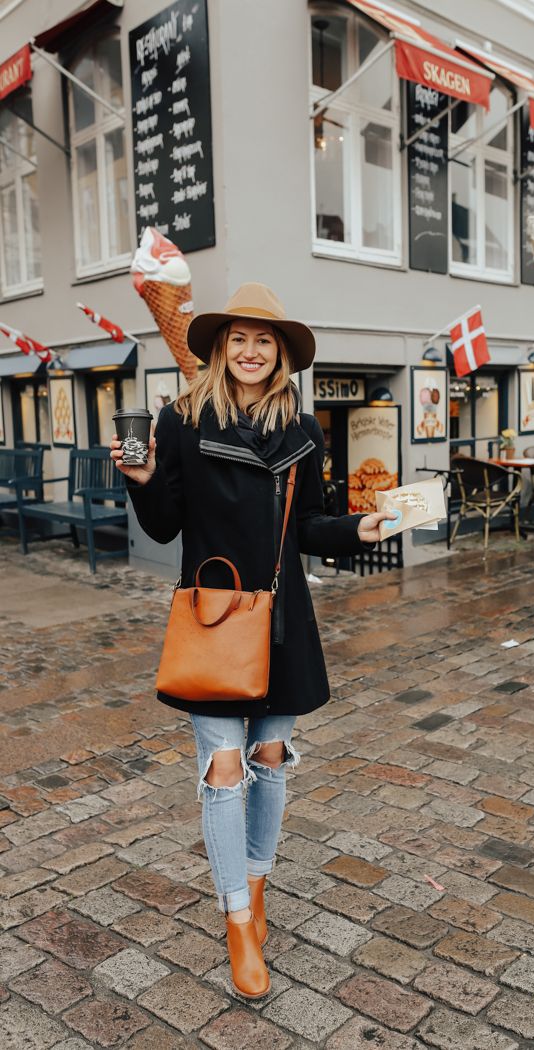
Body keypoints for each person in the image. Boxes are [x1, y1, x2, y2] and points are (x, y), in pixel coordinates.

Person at [111, 283, 393, 999]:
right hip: (212, 617)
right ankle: (238, 920)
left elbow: (308, 527)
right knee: (224, 771)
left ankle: (258, 886)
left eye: (264, 341)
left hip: (282, 621)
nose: (250, 351)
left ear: (282, 356)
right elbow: (167, 522)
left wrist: (356, 529)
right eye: (238, 338)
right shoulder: (179, 420)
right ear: (217, 347)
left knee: (270, 760)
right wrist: (143, 477)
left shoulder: (304, 430)